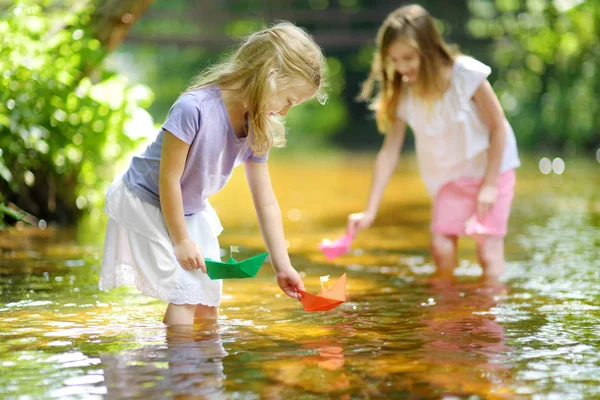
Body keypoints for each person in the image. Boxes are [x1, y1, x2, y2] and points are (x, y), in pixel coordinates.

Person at [100, 22, 328, 325]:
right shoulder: (193, 109)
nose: (285, 112)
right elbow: (167, 179)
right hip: (148, 200)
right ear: (270, 78)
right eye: (288, 101)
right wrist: (181, 241)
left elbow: (266, 202)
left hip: (190, 209)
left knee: (208, 301)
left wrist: (282, 265)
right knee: (186, 295)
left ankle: (205, 369)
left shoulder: (257, 128)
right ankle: (181, 370)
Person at [346, 4, 520, 279]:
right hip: (449, 179)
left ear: (428, 49)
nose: (401, 67)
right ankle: (448, 315)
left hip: (492, 171)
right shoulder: (404, 91)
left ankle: (489, 317)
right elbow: (389, 152)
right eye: (394, 59)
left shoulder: (466, 74)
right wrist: (370, 210)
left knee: (487, 252)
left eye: (408, 57)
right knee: (441, 249)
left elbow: (498, 127)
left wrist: (489, 185)